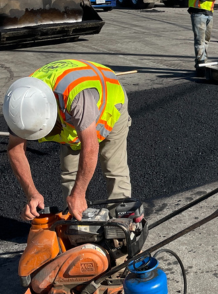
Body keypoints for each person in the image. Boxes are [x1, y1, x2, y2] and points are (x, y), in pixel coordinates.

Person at [4, 60, 132, 221]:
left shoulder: (76, 97)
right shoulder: (20, 102)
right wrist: (32, 194)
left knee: (113, 167)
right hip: (72, 112)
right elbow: (15, 149)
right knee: (69, 171)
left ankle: (122, 224)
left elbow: (90, 147)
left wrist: (79, 193)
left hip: (111, 101)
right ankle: (78, 221)